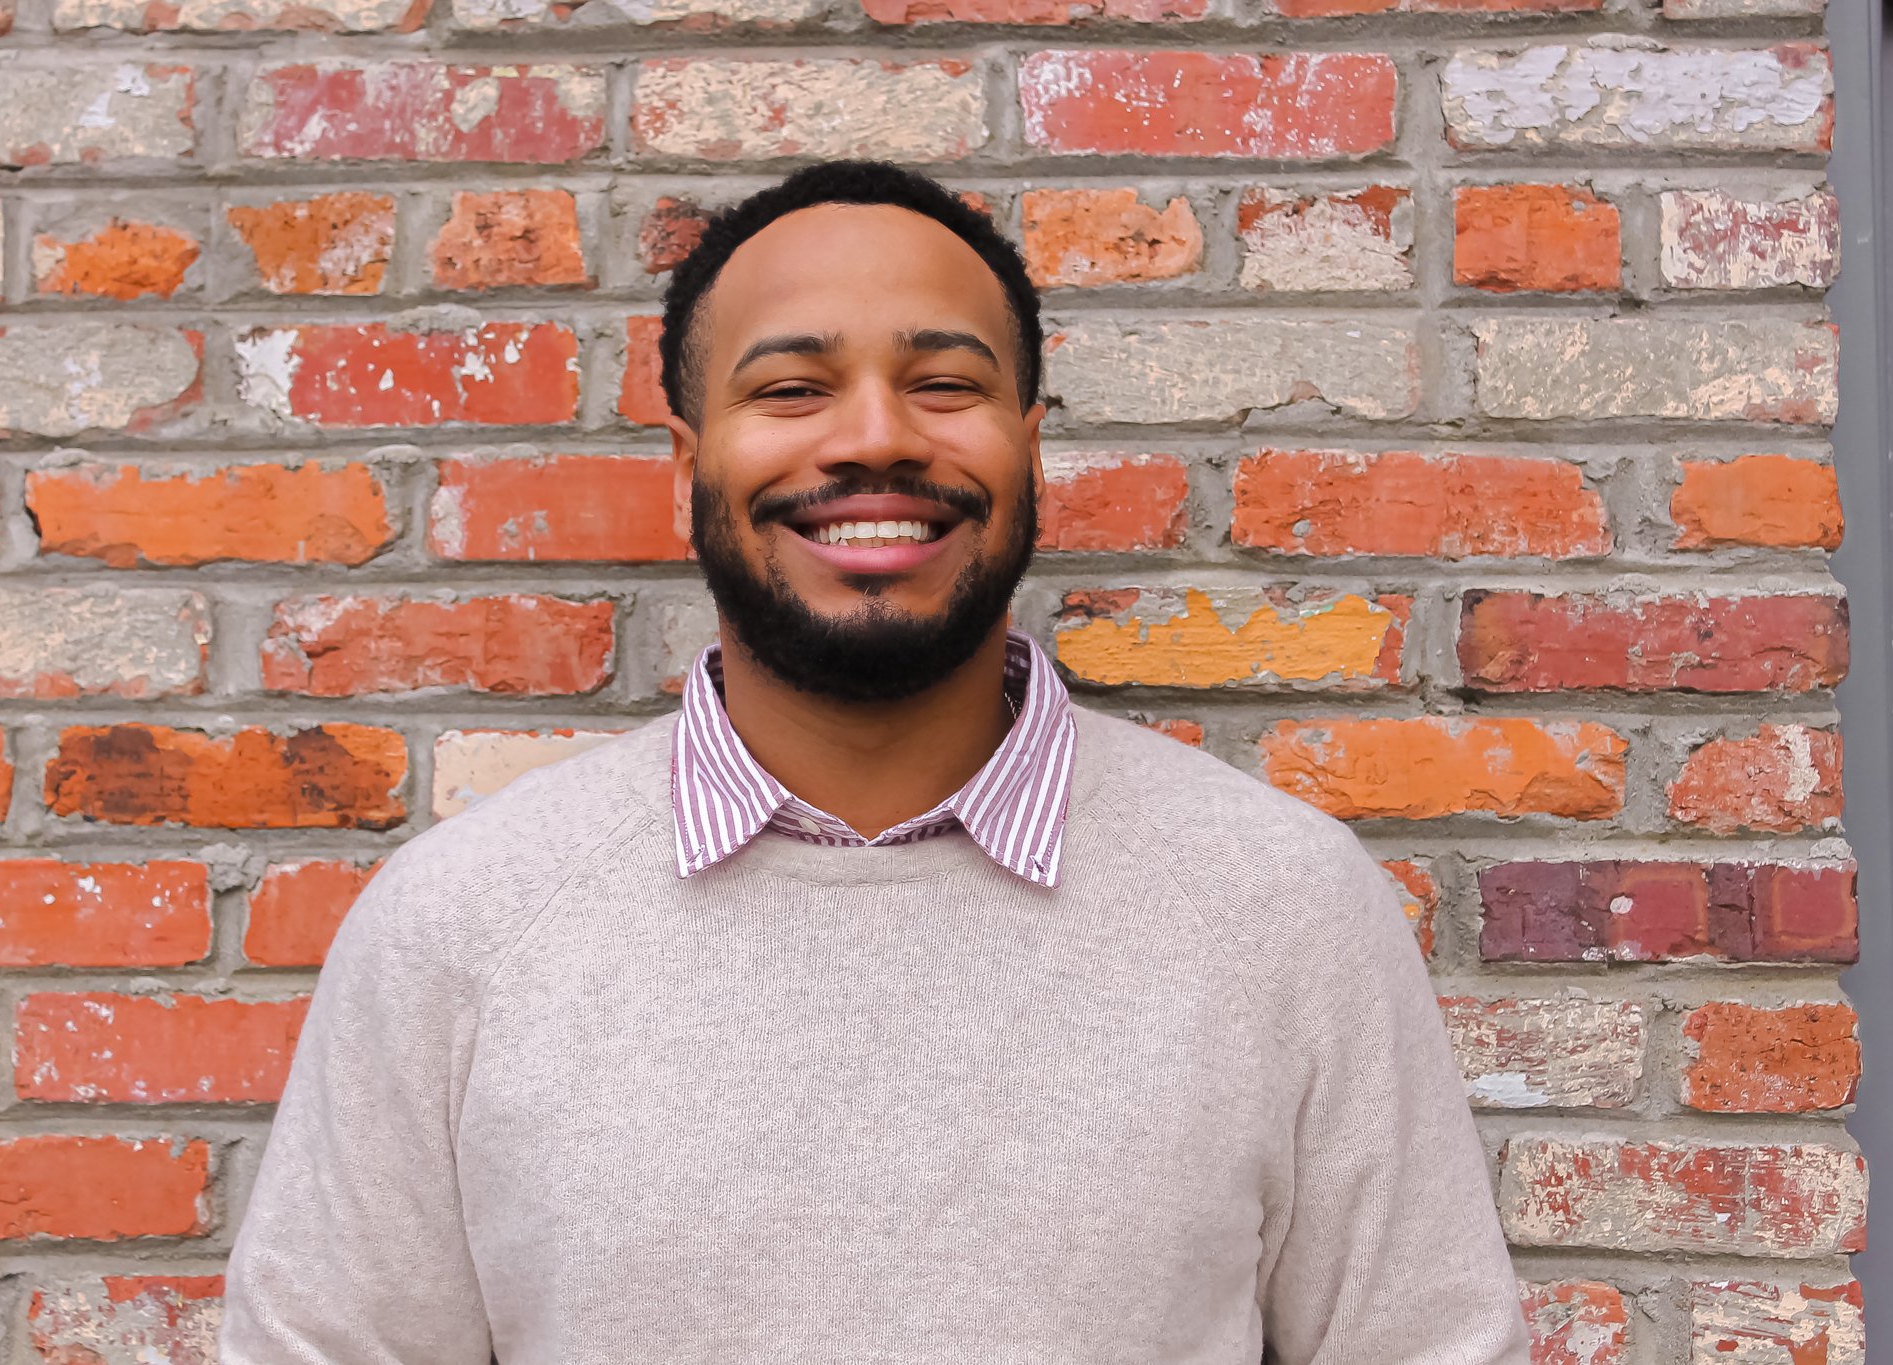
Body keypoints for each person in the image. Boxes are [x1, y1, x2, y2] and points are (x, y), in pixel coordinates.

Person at [218, 160, 1531, 1364]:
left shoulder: (1282, 909)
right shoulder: (462, 926)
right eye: (790, 388)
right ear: (691, 463)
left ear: (1029, 443)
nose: (874, 438)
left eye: (946, 384)